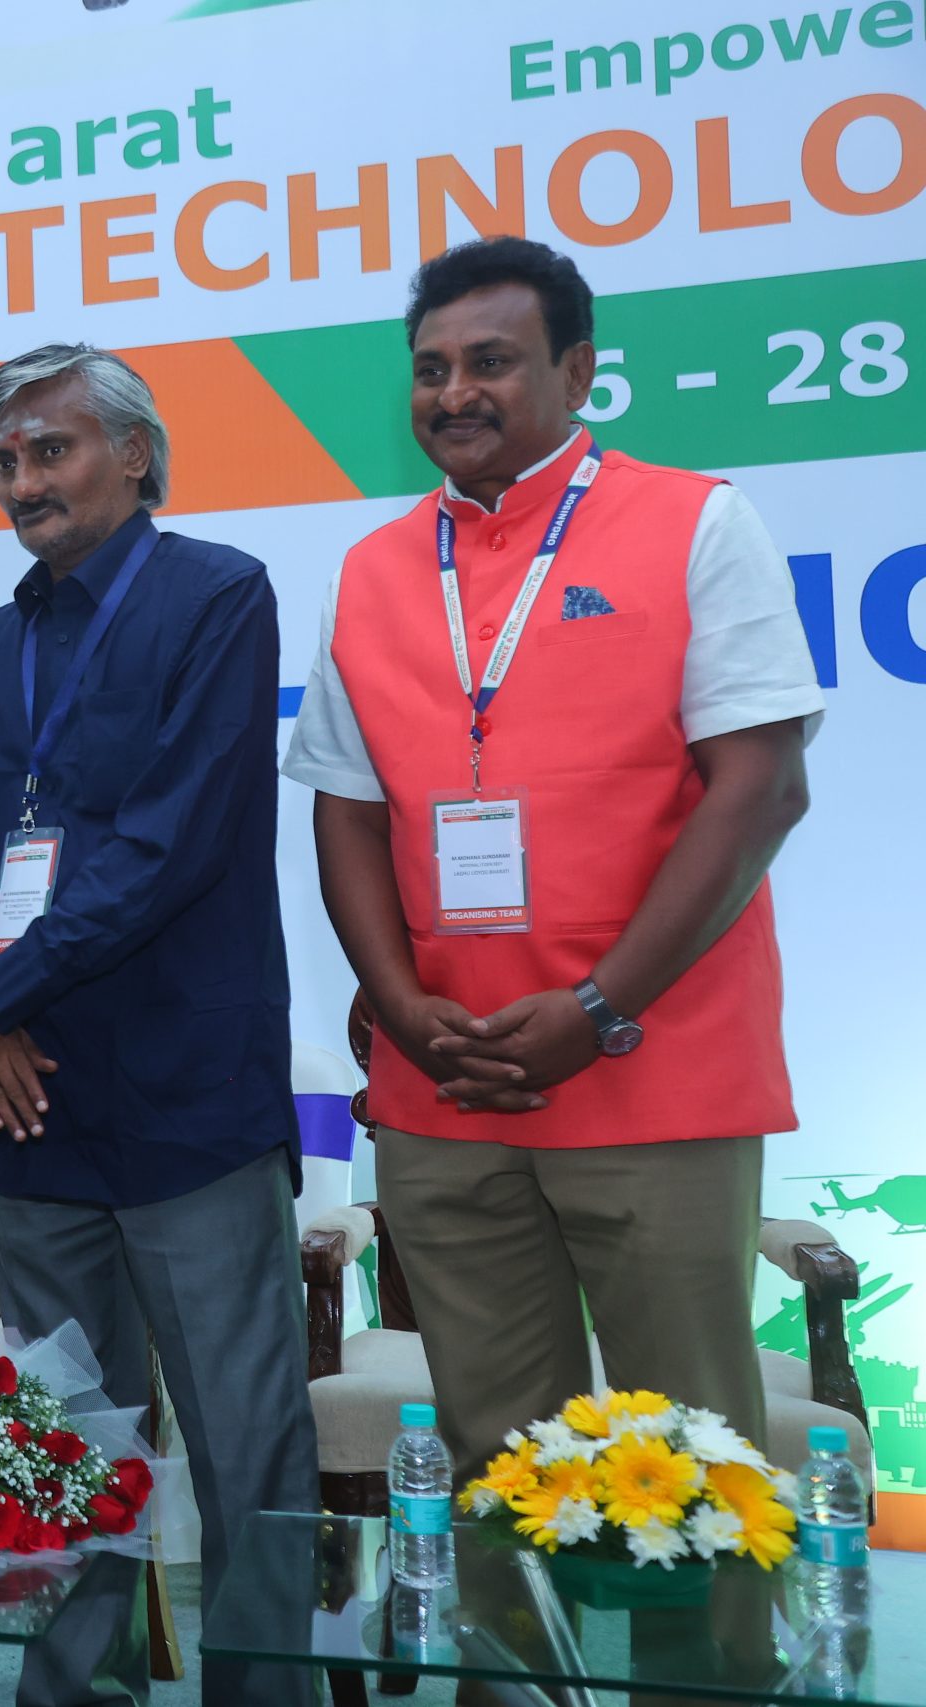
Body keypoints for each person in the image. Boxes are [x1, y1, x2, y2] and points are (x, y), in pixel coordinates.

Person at [283, 236, 820, 1477]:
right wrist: (401, 1013)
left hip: (651, 1067)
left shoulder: (695, 521)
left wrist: (599, 1008)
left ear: (576, 373)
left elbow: (761, 788)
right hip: (446, 1085)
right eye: (429, 369)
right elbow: (346, 810)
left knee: (691, 1462)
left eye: (491, 362)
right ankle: (507, 1630)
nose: (453, 392)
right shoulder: (371, 569)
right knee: (495, 1461)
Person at [0, 345, 316, 1707]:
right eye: (5, 459)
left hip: (190, 1097)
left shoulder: (217, 595)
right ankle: (75, 1691)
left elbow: (166, 845)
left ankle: (260, 1695)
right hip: (35, 1105)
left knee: (246, 1445)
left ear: (133, 455)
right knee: (59, 1447)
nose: (22, 481)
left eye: (51, 449)